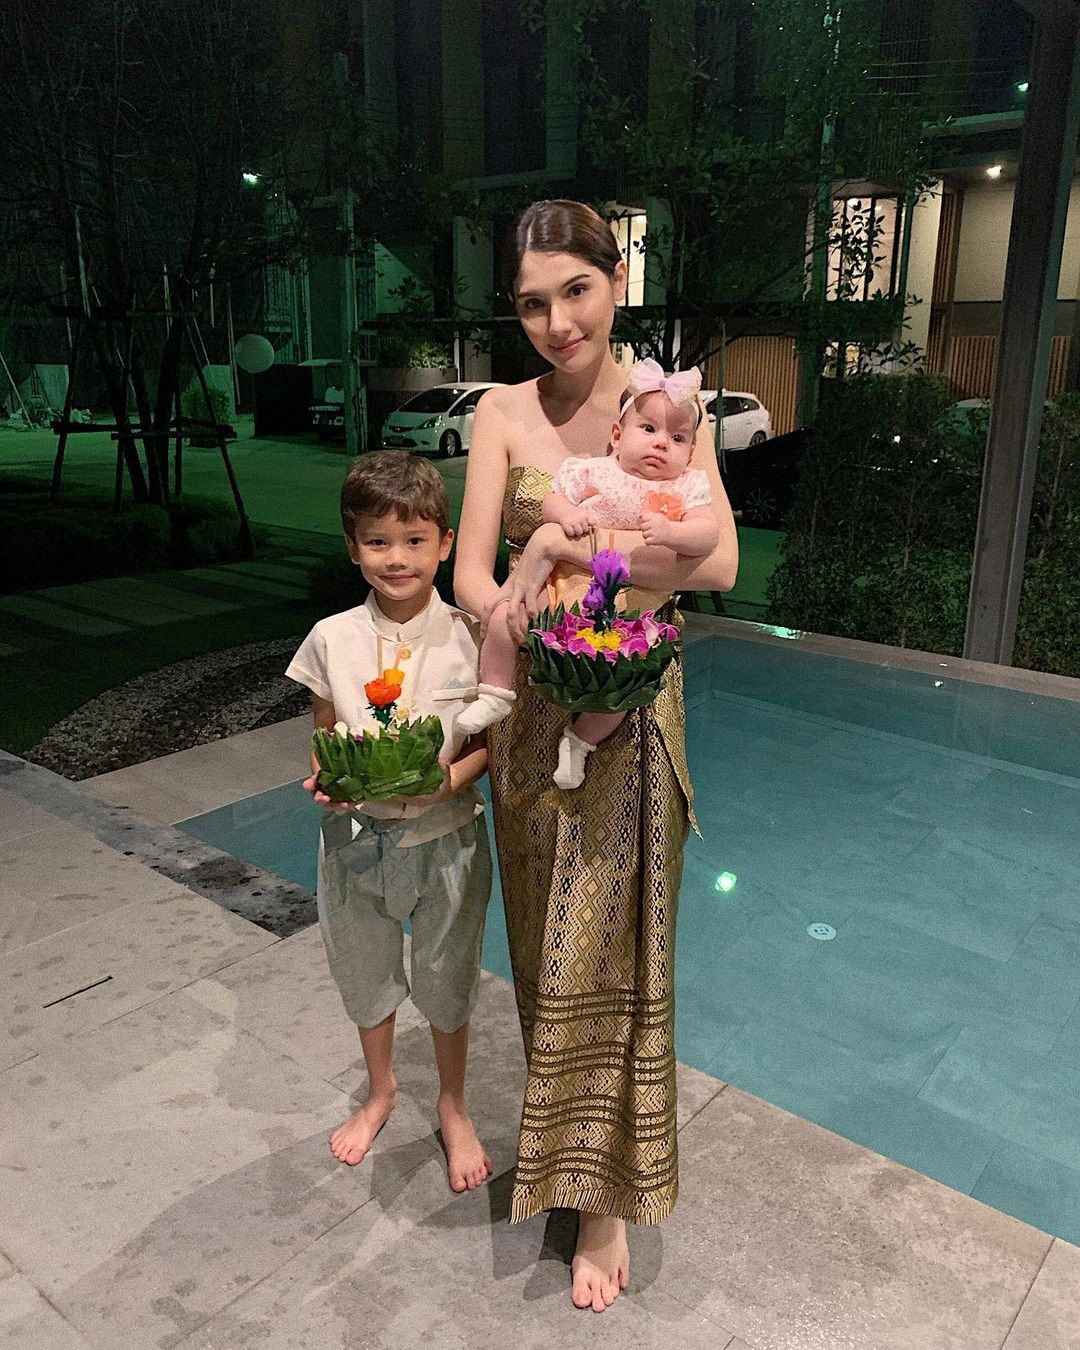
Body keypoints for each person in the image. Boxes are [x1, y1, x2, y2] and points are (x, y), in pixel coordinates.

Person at [454, 200, 738, 1313]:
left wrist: (578, 554)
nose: (557, 321)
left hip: (636, 707)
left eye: (575, 290)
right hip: (534, 716)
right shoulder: (500, 413)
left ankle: (608, 1201)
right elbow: (470, 575)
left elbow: (719, 566)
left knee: (622, 953)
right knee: (545, 948)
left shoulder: (666, 407)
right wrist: (528, 585)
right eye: (532, 303)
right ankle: (570, 1167)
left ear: (616, 279)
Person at [286, 450, 494, 1194]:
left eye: (414, 540)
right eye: (377, 541)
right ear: (353, 548)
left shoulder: (473, 635)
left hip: (447, 839)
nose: (396, 558)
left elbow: (491, 745)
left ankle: (452, 1101)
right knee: (364, 969)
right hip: (355, 842)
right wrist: (328, 782)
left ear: (445, 543)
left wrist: (448, 780)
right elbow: (325, 735)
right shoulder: (330, 637)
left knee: (447, 973)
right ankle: (381, 1091)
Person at [458, 357, 719, 790]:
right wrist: (565, 515)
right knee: (505, 613)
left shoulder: (685, 487)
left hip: (626, 609)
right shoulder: (594, 470)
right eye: (648, 429)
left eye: (677, 438)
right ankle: (495, 690)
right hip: (561, 587)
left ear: (690, 452)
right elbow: (552, 502)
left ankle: (579, 744)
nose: (661, 444)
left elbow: (709, 538)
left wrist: (673, 532)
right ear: (617, 436)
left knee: (622, 687)